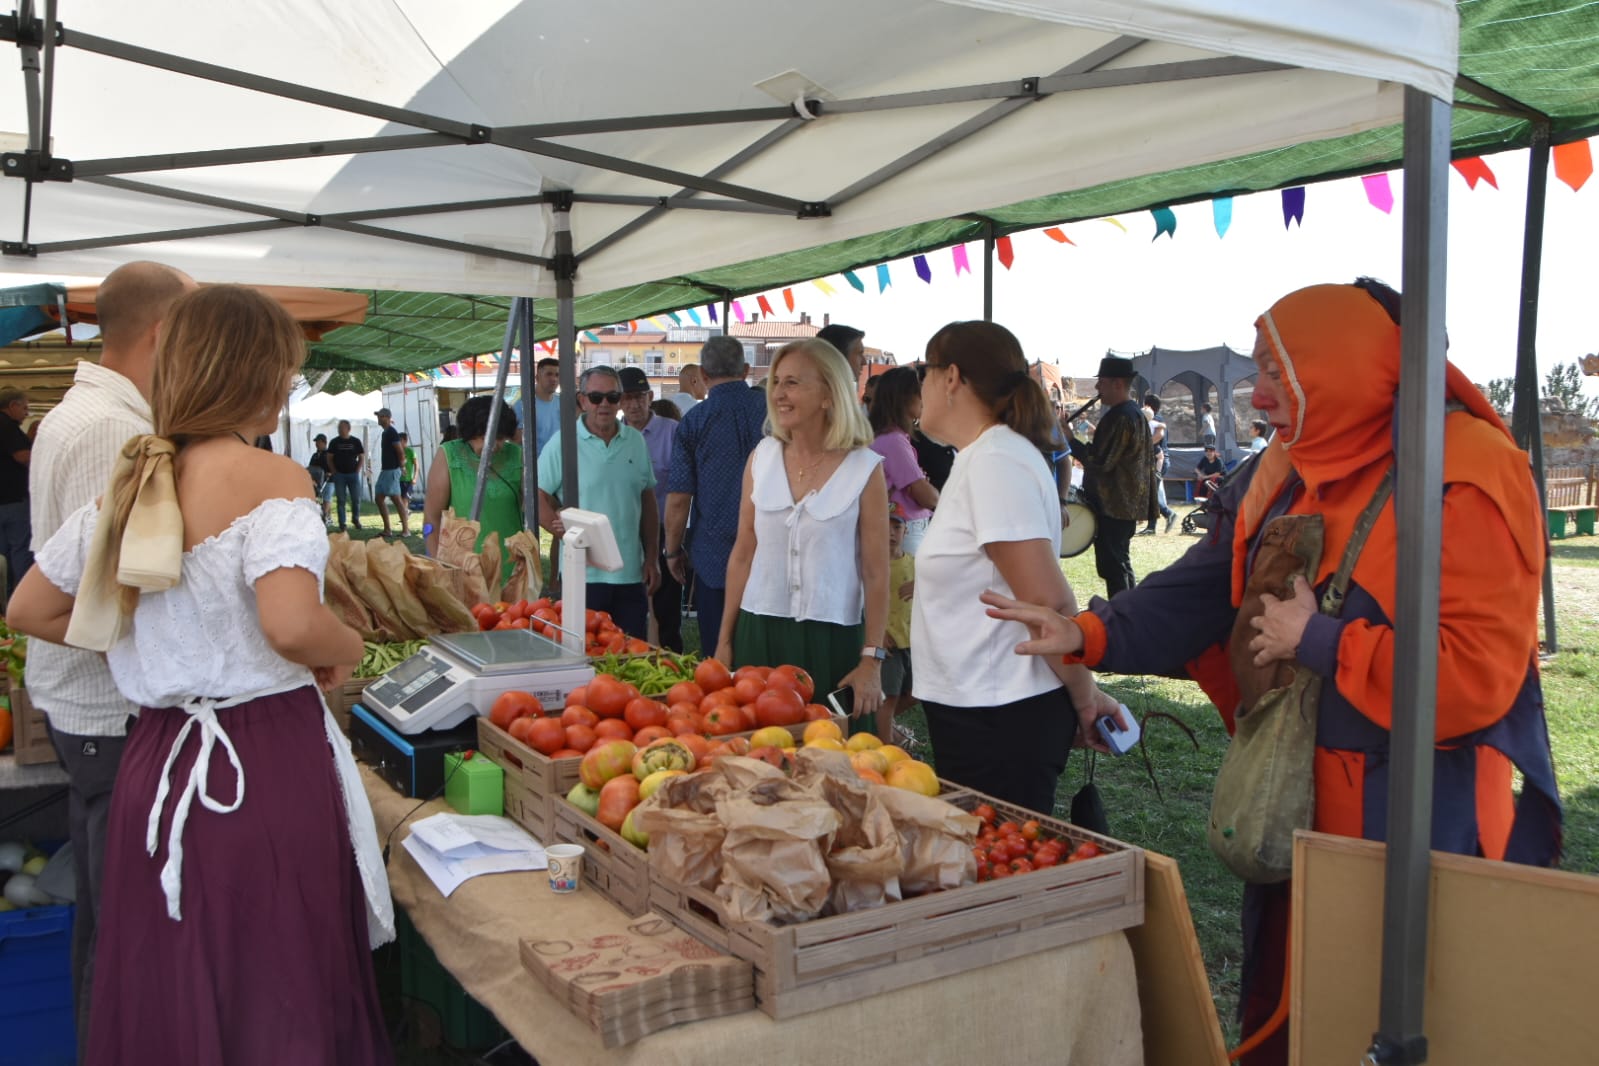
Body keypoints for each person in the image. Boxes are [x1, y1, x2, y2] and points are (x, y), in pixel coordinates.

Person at [982, 279, 1560, 1065]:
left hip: (1418, 813)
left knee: (1394, 1013)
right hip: (1293, 792)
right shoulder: (1289, 464)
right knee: (1290, 1003)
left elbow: (1472, 680)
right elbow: (1200, 582)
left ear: (1345, 366)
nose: (1256, 396)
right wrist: (1086, 630)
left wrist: (1318, 639)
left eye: (1275, 372)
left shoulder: (1469, 474)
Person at [7, 284, 393, 1065]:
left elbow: (31, 608)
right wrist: (344, 644)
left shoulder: (134, 483)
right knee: (279, 977)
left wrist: (153, 649)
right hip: (261, 762)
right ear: (253, 374)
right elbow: (290, 624)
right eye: (285, 374)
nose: (287, 391)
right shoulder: (271, 476)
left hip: (158, 753)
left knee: (174, 973)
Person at [26, 260, 195, 1052]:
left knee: (106, 914)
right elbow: (93, 593)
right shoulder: (114, 431)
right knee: (120, 925)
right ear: (162, 334)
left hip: (84, 705)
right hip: (105, 707)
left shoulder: (85, 411)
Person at [910, 321, 1121, 814]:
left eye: (924, 370)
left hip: (1000, 711)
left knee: (1004, 878)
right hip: (982, 706)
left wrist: (1085, 697)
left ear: (952, 377)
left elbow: (1047, 602)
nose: (918, 384)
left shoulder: (996, 460)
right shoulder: (983, 456)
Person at [718, 338, 887, 731]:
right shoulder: (761, 458)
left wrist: (871, 660)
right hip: (758, 632)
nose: (778, 393)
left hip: (833, 640)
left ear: (829, 394)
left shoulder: (865, 468)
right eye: (776, 381)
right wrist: (725, 639)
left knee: (836, 761)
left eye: (792, 382)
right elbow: (743, 553)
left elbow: (877, 574)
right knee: (758, 759)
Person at [664, 336, 768, 652]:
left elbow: (680, 497)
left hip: (715, 557)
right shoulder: (774, 412)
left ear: (704, 377)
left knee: (719, 657)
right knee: (768, 662)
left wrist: (672, 550)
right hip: (771, 551)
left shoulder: (694, 421)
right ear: (747, 370)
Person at [538, 367, 657, 638]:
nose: (604, 404)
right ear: (582, 400)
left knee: (631, 653)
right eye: (596, 397)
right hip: (583, 575)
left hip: (629, 573)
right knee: (583, 654)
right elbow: (537, 494)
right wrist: (559, 530)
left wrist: (652, 558)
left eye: (612, 397)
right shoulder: (563, 443)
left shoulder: (636, 442)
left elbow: (647, 500)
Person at [1068, 356, 1152, 597]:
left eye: (1101, 382)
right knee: (1119, 562)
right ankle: (1127, 611)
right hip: (1123, 505)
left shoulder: (1121, 416)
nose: (1097, 388)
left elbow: (1100, 462)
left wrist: (1071, 440)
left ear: (1117, 383)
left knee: (1113, 565)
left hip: (1114, 505)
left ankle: (1122, 614)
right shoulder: (1132, 413)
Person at [424, 395, 523, 583]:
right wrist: (440, 566)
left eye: (501, 438)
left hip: (510, 567)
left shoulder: (516, 456)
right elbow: (432, 518)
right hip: (461, 569)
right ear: (471, 432)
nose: (494, 446)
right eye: (486, 438)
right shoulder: (449, 455)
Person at [619, 366, 682, 651]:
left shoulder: (673, 432)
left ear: (650, 396)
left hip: (664, 526)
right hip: (624, 528)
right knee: (627, 601)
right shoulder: (613, 435)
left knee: (666, 605)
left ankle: (671, 658)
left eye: (639, 397)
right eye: (627, 398)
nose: (633, 404)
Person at [868, 366, 938, 555]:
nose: (925, 400)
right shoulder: (893, 441)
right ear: (906, 398)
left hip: (899, 527)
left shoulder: (885, 437)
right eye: (920, 393)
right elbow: (927, 496)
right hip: (905, 529)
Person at [876, 503, 915, 743]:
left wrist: (925, 586)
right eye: (885, 526)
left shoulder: (916, 564)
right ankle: (885, 746)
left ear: (906, 531)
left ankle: (878, 725)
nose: (891, 532)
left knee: (915, 693)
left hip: (912, 640)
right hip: (889, 645)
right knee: (888, 697)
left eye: (897, 526)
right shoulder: (872, 566)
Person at [0, 386, 35, 599]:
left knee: (1, 555)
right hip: (13, 501)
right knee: (20, 550)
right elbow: (22, 456)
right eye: (24, 408)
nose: (26, 414)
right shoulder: (8, 426)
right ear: (12, 406)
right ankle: (21, 597)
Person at [1141, 395, 1178, 535]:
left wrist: (1144, 445)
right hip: (1155, 461)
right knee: (1152, 494)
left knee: (1151, 494)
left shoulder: (1155, 419)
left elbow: (1159, 435)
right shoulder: (1153, 419)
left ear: (1148, 405)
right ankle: (1152, 527)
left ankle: (1168, 514)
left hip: (1158, 461)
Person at [513, 356, 561, 457]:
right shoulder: (523, 405)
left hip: (559, 463)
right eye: (549, 374)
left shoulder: (562, 403)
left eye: (557, 375)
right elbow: (517, 440)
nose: (554, 379)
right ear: (537, 377)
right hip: (535, 466)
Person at [373, 407, 407, 537]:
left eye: (381, 416)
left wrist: (402, 466)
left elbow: (400, 451)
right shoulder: (385, 432)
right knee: (379, 498)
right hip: (385, 470)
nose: (378, 418)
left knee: (396, 500)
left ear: (387, 418)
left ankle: (406, 530)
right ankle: (388, 529)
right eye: (378, 416)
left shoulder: (392, 432)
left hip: (392, 470)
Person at [326, 419, 364, 531]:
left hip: (353, 474)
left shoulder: (355, 441)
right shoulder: (334, 442)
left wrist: (357, 470)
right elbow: (329, 458)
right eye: (339, 428)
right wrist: (334, 471)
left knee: (356, 498)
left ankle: (355, 518)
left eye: (342, 428)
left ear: (348, 429)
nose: (340, 430)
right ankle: (342, 523)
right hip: (340, 475)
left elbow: (361, 457)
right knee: (341, 499)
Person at [307, 432, 333, 524]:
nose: (316, 444)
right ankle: (323, 515)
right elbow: (310, 468)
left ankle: (325, 517)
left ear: (324, 442)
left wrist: (330, 473)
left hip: (329, 480)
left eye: (318, 442)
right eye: (316, 442)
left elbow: (334, 466)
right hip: (317, 482)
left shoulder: (329, 454)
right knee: (318, 499)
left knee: (327, 499)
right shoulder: (315, 455)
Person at [399, 432, 417, 507]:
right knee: (400, 500)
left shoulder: (410, 451)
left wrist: (415, 478)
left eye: (400, 440)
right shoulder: (397, 451)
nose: (398, 442)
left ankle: (404, 516)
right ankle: (405, 514)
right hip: (399, 479)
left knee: (405, 499)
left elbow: (417, 465)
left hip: (408, 480)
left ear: (405, 441)